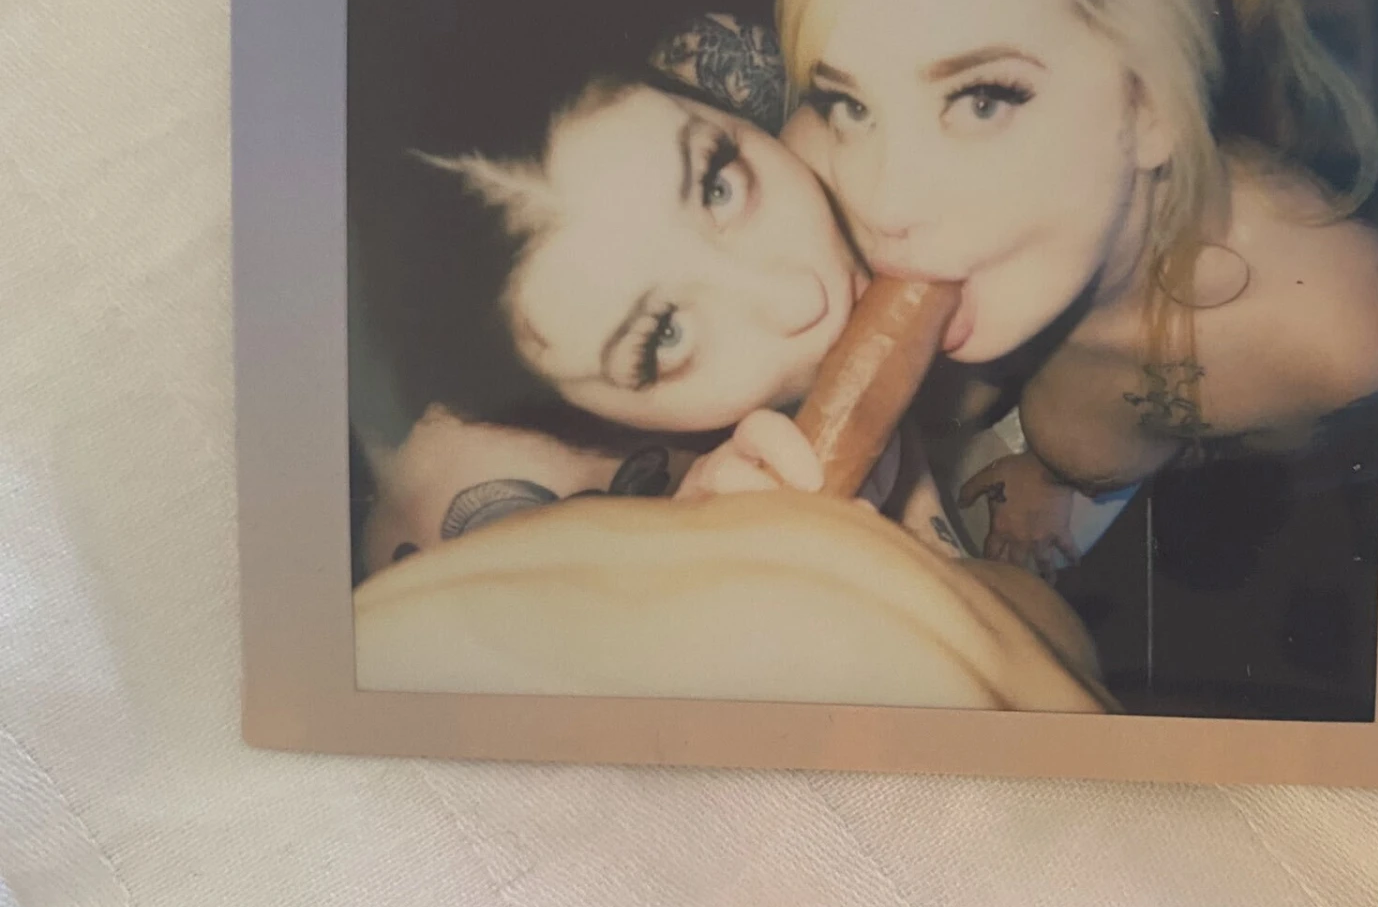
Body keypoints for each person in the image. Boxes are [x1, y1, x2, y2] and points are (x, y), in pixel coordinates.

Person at [769, 0, 1378, 577]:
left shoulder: (1339, 329)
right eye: (853, 106)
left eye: (981, 101)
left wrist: (1059, 476)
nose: (883, 206)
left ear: (1150, 108)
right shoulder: (810, 181)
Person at [359, 39, 969, 576]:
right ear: (548, 405)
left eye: (717, 187)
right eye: (665, 333)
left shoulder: (787, 93)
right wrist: (683, 585)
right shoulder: (483, 541)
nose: (803, 298)